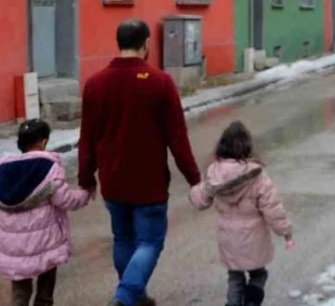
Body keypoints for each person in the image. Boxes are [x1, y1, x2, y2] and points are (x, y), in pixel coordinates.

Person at [78, 19, 201, 306]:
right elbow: (178, 139)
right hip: (149, 182)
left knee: (123, 239)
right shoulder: (160, 82)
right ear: (147, 44)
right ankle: (124, 296)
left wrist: (86, 178)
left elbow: (87, 137)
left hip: (113, 180)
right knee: (149, 242)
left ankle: (136, 295)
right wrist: (195, 179)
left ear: (118, 43)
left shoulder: (95, 84)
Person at [0, 119, 90, 306]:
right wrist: (85, 193)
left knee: (20, 286)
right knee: (46, 284)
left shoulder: (0, 171)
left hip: (14, 246)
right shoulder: (48, 169)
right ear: (43, 142)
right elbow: (65, 200)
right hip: (45, 241)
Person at [189, 121, 293, 306]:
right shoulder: (257, 176)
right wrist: (286, 232)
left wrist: (192, 193)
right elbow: (272, 209)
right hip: (254, 239)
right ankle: (252, 302)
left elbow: (199, 200)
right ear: (247, 147)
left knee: (235, 278)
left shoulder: (214, 175)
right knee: (259, 274)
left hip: (229, 240)